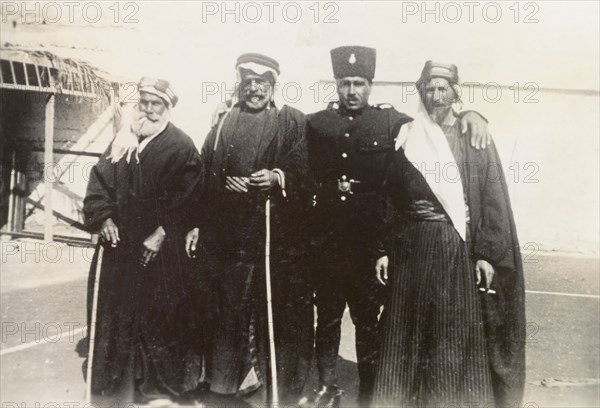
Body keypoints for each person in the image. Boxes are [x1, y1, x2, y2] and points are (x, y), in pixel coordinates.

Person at [304, 47, 492, 408]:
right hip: (327, 243)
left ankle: (371, 391)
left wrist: (473, 112)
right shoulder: (316, 123)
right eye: (345, 84)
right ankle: (327, 387)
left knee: (368, 323)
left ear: (370, 85)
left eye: (359, 83)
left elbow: (436, 121)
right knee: (326, 319)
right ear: (337, 85)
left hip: (367, 244)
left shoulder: (393, 123)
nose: (352, 91)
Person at [373, 61, 526, 407]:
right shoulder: (407, 136)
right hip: (411, 247)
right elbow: (390, 197)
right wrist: (383, 248)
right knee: (404, 332)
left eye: (444, 88)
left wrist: (486, 254)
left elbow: (491, 199)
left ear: (456, 91)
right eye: (430, 88)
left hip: (455, 247)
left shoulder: (473, 136)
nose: (436, 95)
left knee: (451, 331)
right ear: (421, 90)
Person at [185, 53, 315, 405]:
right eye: (249, 83)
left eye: (262, 84)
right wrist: (203, 214)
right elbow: (202, 172)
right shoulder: (223, 122)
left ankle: (270, 390)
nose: (255, 89)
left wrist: (276, 177)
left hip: (272, 239)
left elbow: (304, 171)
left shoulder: (290, 121)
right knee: (227, 314)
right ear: (240, 85)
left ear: (273, 86)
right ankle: (224, 387)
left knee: (270, 314)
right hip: (226, 238)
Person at [83, 77, 204, 406]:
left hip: (159, 249)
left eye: (157, 104)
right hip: (119, 245)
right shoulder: (122, 141)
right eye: (144, 103)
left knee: (157, 314)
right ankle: (120, 383)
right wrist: (104, 218)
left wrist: (163, 232)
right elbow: (99, 186)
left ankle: (157, 387)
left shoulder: (181, 146)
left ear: (168, 109)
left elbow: (191, 198)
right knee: (117, 312)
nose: (149, 110)